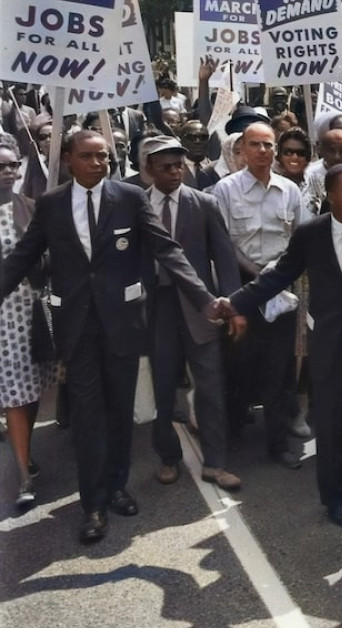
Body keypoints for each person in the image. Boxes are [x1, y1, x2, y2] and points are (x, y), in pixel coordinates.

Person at [0, 130, 218, 543]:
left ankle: (117, 485)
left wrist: (205, 298)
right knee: (87, 415)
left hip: (122, 324)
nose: (99, 163)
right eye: (89, 156)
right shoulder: (51, 205)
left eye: (104, 156)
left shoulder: (130, 198)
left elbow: (167, 250)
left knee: (120, 411)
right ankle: (93, 505)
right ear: (68, 159)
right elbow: (23, 257)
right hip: (77, 327)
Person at [216, 165, 342, 537]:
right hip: (329, 350)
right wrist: (235, 303)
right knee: (331, 430)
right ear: (331, 197)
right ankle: (335, 500)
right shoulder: (311, 234)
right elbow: (278, 275)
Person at [140, 136, 245, 490]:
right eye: (166, 167)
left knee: (211, 386)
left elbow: (224, 259)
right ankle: (168, 457)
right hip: (157, 307)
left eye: (178, 165)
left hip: (202, 308)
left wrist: (231, 305)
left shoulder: (203, 203)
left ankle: (215, 462)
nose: (174, 172)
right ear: (148, 169)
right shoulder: (135, 205)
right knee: (163, 387)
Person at [211, 122, 308, 468]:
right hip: (243, 289)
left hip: (282, 292)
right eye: (256, 145)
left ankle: (278, 443)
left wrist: (279, 277)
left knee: (280, 372)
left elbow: (298, 241)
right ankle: (234, 432)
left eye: (269, 145)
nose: (263, 151)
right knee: (239, 365)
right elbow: (222, 244)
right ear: (242, 151)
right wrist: (257, 277)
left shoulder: (289, 191)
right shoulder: (225, 190)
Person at [0, 142, 45, 506]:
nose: (8, 172)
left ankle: (25, 449)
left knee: (31, 393)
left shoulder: (28, 207)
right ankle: (23, 475)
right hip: (2, 318)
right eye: (1, 166)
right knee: (15, 395)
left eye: (13, 165)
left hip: (31, 311)